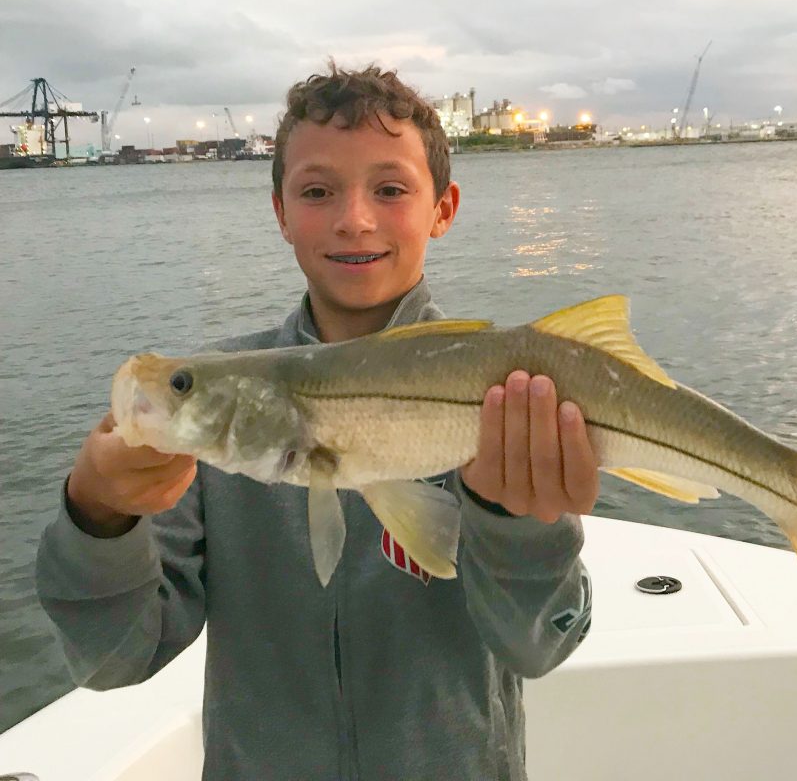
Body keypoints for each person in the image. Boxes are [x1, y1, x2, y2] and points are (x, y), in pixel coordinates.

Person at [36, 64, 599, 781]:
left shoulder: (505, 393)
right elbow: (115, 657)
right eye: (317, 191)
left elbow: (538, 647)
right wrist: (98, 518)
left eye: (391, 189)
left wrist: (519, 525)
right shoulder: (216, 421)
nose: (354, 218)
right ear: (279, 211)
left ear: (444, 208)